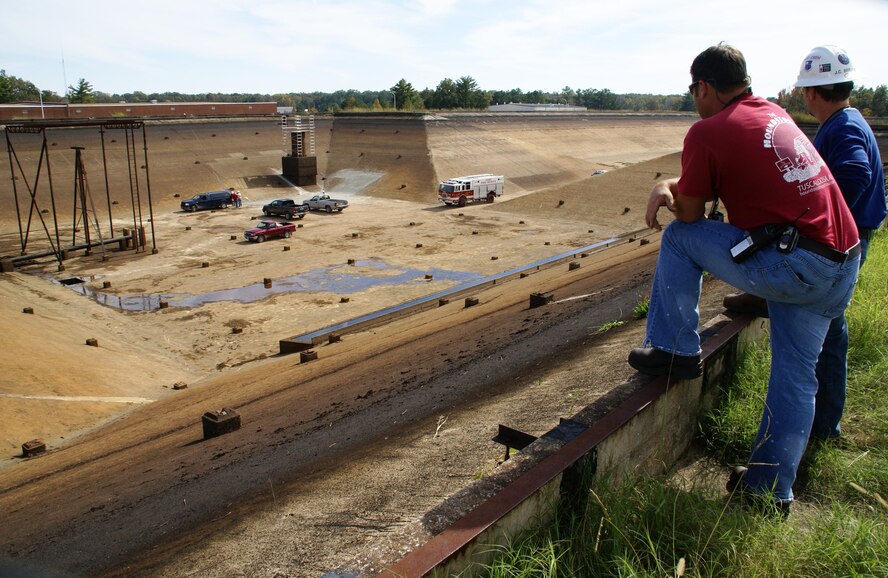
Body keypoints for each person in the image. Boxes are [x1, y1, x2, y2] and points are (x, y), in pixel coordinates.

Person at [627, 43, 861, 513]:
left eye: (694, 90)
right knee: (796, 378)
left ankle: (676, 349)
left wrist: (663, 187)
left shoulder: (708, 131)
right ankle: (769, 491)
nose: (695, 100)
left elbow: (691, 215)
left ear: (707, 87)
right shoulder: (773, 113)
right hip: (843, 261)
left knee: (677, 239)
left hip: (800, 264)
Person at [723, 45, 886, 441]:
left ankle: (823, 426)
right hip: (853, 237)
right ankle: (825, 423)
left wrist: (820, 218)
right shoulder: (849, 120)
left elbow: (853, 174)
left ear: (812, 92)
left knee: (826, 334)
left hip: (845, 239)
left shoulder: (843, 127)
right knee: (830, 329)